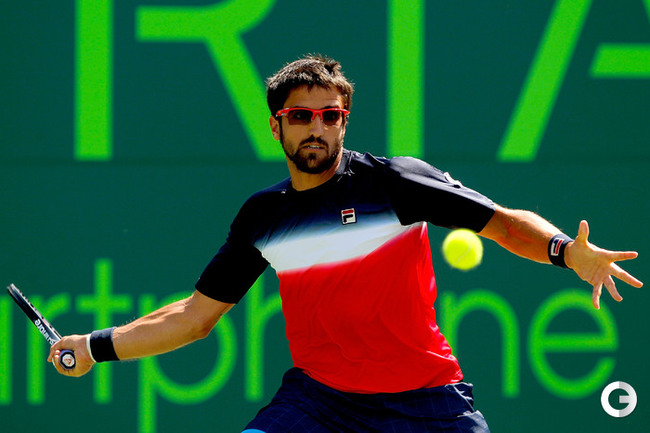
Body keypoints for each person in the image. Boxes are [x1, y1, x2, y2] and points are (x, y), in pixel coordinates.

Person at [50, 55, 643, 432]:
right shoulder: (264, 216)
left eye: (329, 116)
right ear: (277, 125)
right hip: (320, 404)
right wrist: (96, 346)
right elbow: (194, 317)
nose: (317, 127)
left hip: (428, 404)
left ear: (344, 120)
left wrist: (568, 251)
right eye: (300, 116)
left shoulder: (396, 182)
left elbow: (505, 224)